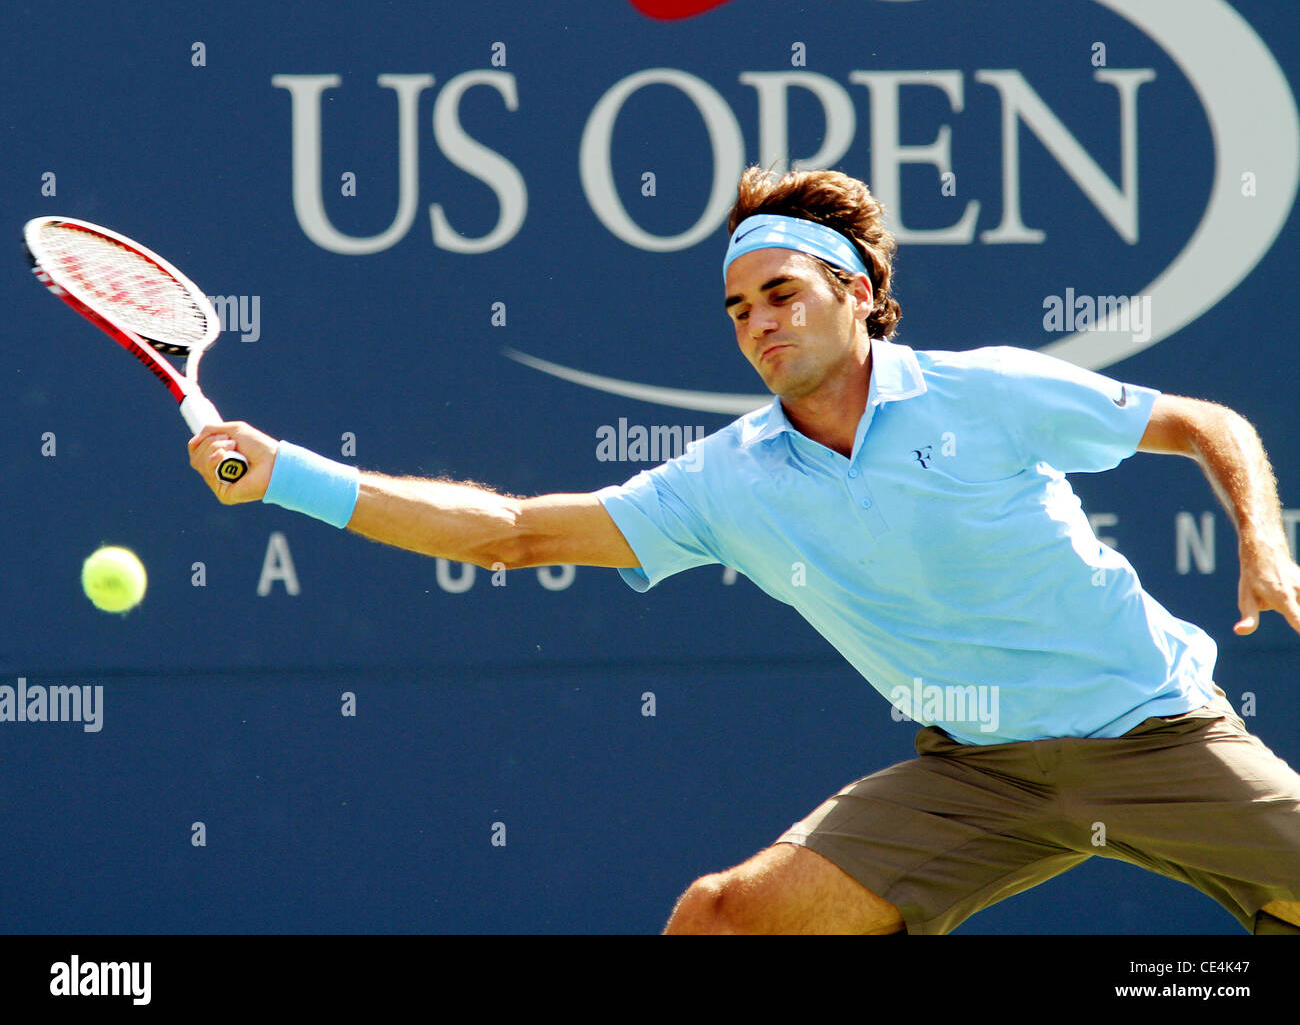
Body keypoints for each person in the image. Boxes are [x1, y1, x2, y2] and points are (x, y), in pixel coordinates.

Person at [189, 167, 1300, 935]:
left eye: (782, 294)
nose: (760, 323)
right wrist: (286, 470)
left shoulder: (988, 392)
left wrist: (1263, 542)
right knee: (720, 917)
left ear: (856, 295)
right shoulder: (728, 479)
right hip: (973, 772)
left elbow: (1205, 423)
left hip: (1155, 735)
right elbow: (515, 534)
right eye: (737, 310)